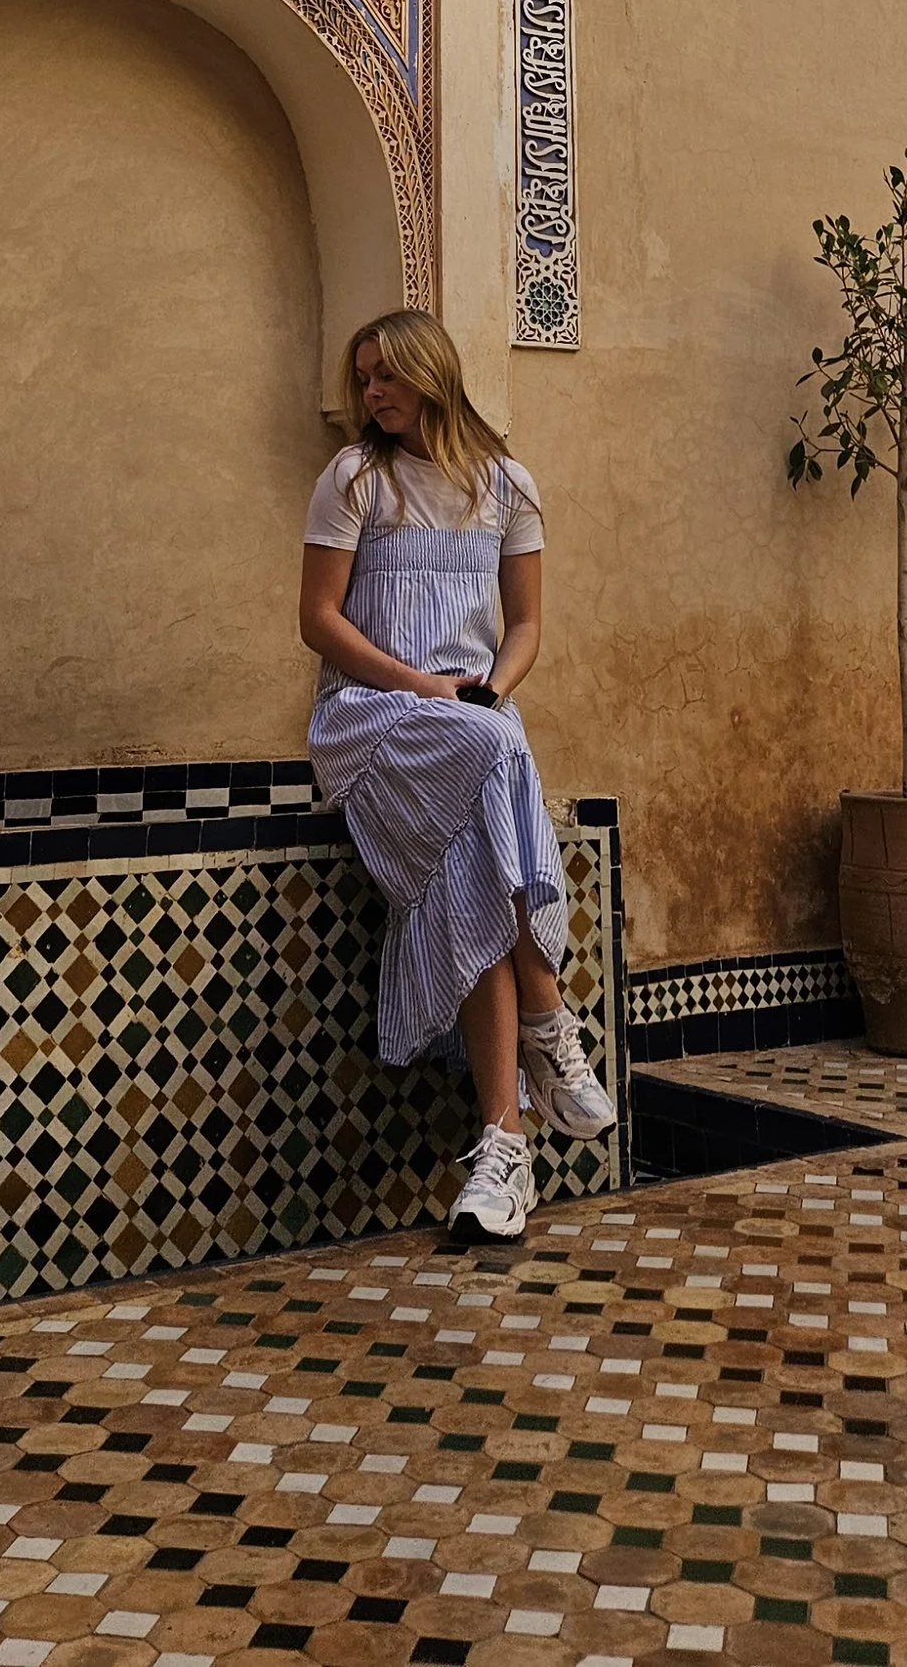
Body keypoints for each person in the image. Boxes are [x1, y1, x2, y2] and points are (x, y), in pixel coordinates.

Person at [300, 309, 616, 1243]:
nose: (371, 394)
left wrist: (488, 689)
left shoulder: (508, 485)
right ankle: (553, 1026)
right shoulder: (354, 478)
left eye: (386, 375)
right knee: (496, 748)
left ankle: (502, 1146)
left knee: (479, 834)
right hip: (371, 715)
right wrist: (428, 688)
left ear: (431, 372)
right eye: (363, 379)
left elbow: (523, 630)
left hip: (472, 722)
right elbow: (320, 621)